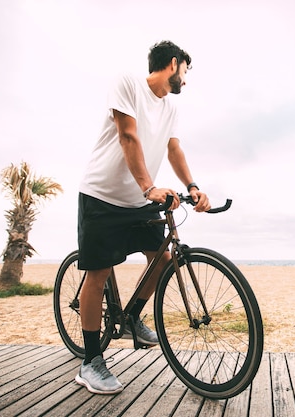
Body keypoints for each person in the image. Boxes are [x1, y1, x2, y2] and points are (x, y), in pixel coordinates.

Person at [74, 40, 211, 395]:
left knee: (164, 260)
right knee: (98, 273)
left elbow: (173, 148)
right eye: (186, 71)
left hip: (140, 200)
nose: (186, 79)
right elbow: (127, 135)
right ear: (174, 63)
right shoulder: (128, 83)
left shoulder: (169, 108)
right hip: (102, 196)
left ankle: (132, 317)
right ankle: (91, 361)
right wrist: (149, 186)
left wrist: (192, 186)